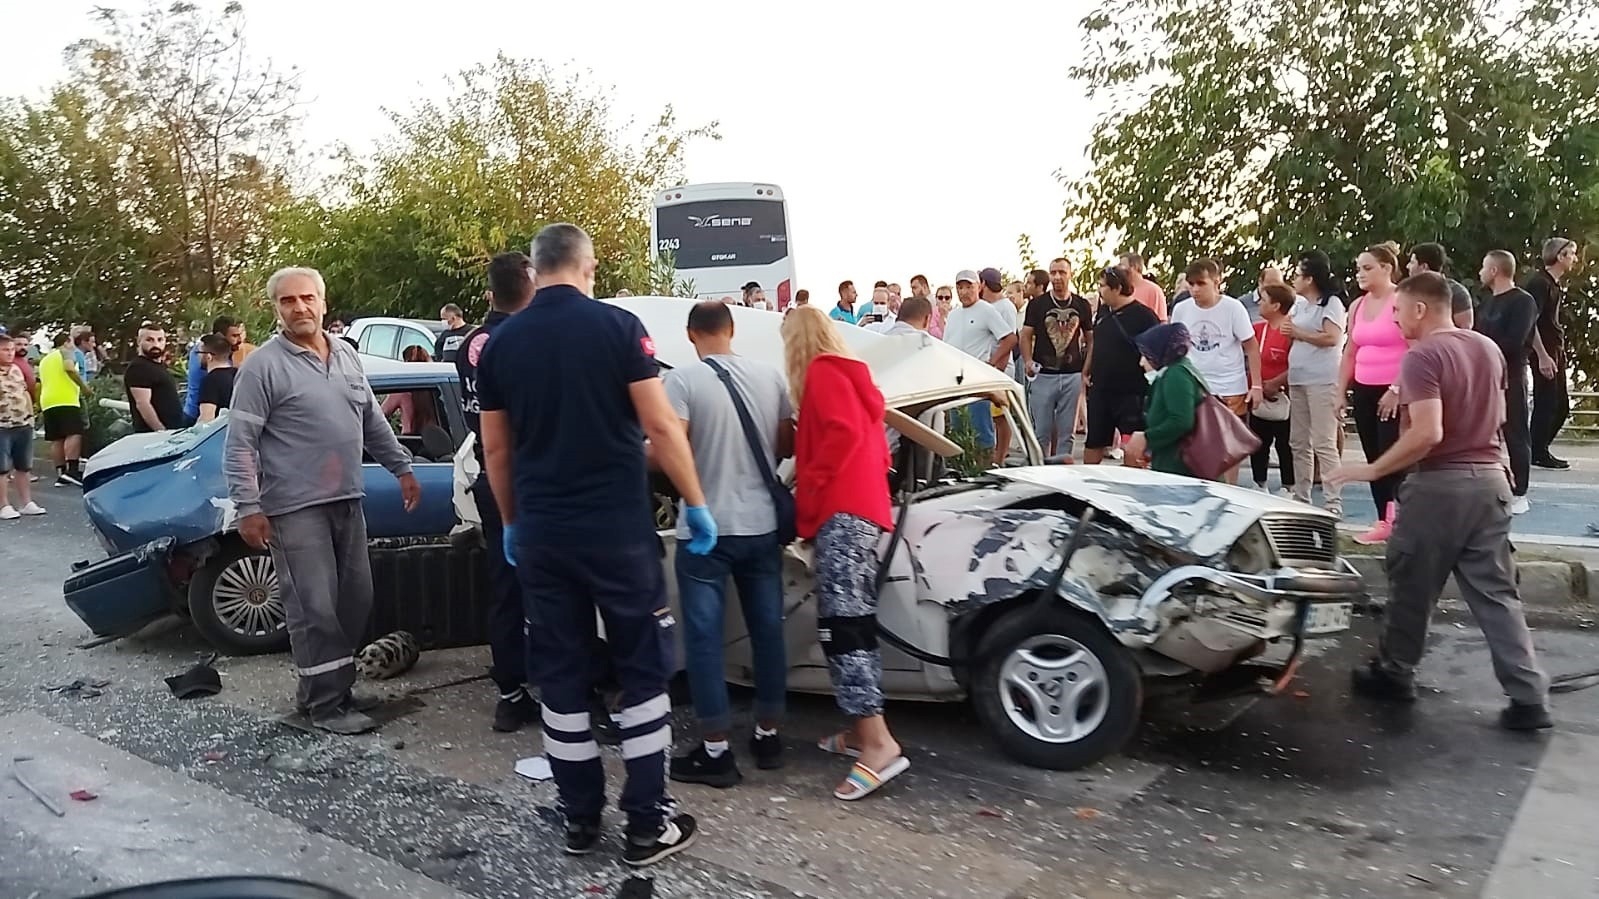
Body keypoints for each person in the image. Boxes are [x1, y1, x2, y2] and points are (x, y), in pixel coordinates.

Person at [477, 223, 713, 866]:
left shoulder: (500, 344)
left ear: (533, 269)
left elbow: (496, 449)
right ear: (590, 266)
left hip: (545, 534)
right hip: (616, 531)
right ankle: (646, 824)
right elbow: (660, 425)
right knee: (641, 669)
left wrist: (513, 522)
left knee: (561, 675)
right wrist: (695, 503)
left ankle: (579, 818)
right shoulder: (618, 329)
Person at [1328, 272, 1551, 731]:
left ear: (1421, 310)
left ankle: (1395, 672)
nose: (1394, 318)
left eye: (1398, 311)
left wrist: (1372, 469)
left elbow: (1429, 433)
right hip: (1490, 481)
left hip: (1440, 487)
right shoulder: (1486, 348)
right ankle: (1529, 697)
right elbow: (1504, 416)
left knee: (1412, 584)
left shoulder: (1422, 356)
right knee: (1496, 594)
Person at [224, 266, 421, 735]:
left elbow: (372, 419)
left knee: (356, 599)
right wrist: (248, 506)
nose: (299, 308)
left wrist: (403, 468)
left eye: (307, 298)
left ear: (323, 303)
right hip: (293, 508)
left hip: (347, 498)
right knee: (314, 608)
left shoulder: (347, 355)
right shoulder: (262, 366)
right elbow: (240, 442)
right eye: (288, 301)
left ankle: (329, 687)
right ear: (276, 309)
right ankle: (327, 707)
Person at [662, 301, 794, 789]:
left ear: (692, 334)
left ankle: (716, 751)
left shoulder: (682, 382)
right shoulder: (770, 377)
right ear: (732, 330)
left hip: (705, 530)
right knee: (767, 631)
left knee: (702, 639)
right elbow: (784, 445)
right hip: (761, 526)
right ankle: (768, 735)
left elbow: (672, 452)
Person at [782, 305, 907, 801]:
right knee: (852, 621)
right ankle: (862, 731)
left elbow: (837, 441)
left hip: (840, 510)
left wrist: (806, 495)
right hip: (864, 509)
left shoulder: (822, 373)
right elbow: (879, 452)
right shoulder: (854, 377)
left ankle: (878, 744)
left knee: (843, 628)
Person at [455, 252, 540, 733]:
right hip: (530, 474)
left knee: (505, 589)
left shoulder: (470, 340)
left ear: (491, 292)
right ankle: (576, 690)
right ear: (531, 286)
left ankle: (510, 693)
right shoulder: (524, 339)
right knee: (556, 587)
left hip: (487, 474)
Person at [1169, 259, 1263, 483]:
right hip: (1193, 383)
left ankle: (1230, 491)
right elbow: (1175, 346)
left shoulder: (1233, 308)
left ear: (1216, 281)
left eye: (1201, 283)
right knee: (1193, 440)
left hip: (1229, 384)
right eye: (1191, 284)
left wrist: (1256, 385)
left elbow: (1251, 346)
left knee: (1229, 444)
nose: (1195, 289)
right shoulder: (1182, 309)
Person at [1338, 245, 1408, 544]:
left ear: (1386, 268)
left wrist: (1397, 388)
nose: (1360, 274)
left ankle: (1402, 518)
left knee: (1394, 455)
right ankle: (1384, 519)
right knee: (1373, 456)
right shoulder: (1357, 306)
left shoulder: (1400, 300)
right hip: (1364, 390)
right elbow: (1350, 351)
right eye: (1358, 269)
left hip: (1394, 390)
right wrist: (1340, 391)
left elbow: (1416, 347)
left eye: (1367, 268)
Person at [1283, 253, 1348, 515]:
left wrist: (1299, 334)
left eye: (1298, 275)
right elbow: (1287, 328)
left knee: (1323, 440)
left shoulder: (1330, 303)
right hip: (1298, 375)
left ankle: (1333, 501)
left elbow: (1332, 337)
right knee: (1298, 441)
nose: (1295, 280)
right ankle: (1302, 495)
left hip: (1322, 377)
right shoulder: (1298, 304)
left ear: (1310, 278)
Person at [1476, 251, 1539, 515]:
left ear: (1494, 270)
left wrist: (1487, 351)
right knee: (1484, 432)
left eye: (1483, 266)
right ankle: (1490, 485)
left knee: (1515, 433)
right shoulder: (1487, 303)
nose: (1479, 272)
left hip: (1511, 376)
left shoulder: (1523, 302)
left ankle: (1520, 491)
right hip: (1485, 377)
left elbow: (1515, 341)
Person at [1083, 266, 1162, 466]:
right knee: (1094, 441)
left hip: (1131, 392)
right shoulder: (1103, 312)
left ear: (1117, 288)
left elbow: (1156, 353)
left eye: (1102, 286)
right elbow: (1097, 343)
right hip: (1101, 389)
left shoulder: (1144, 316)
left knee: (1132, 445)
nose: (1099, 291)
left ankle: (1131, 486)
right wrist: (1087, 370)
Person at [1021, 257, 1093, 460]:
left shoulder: (1081, 304)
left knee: (1066, 432)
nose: (1057, 277)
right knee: (1041, 431)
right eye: (1053, 272)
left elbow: (1091, 338)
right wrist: (1027, 360)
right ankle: (1038, 472)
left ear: (1070, 274)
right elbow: (1025, 335)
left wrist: (1085, 370)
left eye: (1061, 272)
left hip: (1072, 374)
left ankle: (1063, 473)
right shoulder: (1037, 304)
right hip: (1043, 374)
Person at [943, 270, 1017, 465]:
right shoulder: (953, 314)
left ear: (979, 287)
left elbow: (1009, 338)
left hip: (976, 381)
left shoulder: (986, 310)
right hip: (955, 380)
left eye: (969, 287)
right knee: (958, 432)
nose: (964, 292)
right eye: (960, 287)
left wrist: (992, 365)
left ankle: (984, 472)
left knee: (981, 432)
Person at [1525, 237, 1579, 471]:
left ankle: (1538, 448)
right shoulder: (1540, 283)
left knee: (1560, 404)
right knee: (1547, 402)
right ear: (1560, 256)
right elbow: (1531, 321)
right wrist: (1542, 355)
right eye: (1571, 253)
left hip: (1554, 349)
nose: (1575, 259)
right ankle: (1536, 451)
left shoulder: (1553, 284)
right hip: (1544, 350)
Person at [1124, 323, 1205, 477]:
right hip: (1175, 466)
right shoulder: (1176, 371)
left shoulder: (1176, 375)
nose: (1141, 362)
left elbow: (1181, 420)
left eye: (1147, 356)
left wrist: (1146, 438)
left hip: (1182, 472)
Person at [1249, 285, 1296, 492]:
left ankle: (1288, 486)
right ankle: (1260, 483)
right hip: (1259, 395)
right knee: (1258, 442)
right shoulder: (1257, 329)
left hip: (1283, 396)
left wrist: (1276, 383)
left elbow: (1298, 363)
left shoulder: (1290, 330)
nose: (1258, 303)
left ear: (1276, 305)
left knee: (1285, 444)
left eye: (1263, 299)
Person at [0, 331, 45, 519]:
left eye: (11, 349)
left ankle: (26, 502)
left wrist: (30, 414)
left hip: (22, 423)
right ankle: (4, 505)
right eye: (5, 350)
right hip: (2, 425)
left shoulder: (17, 369)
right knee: (2, 468)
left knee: (23, 466)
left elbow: (25, 392)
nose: (10, 353)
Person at [37, 332, 88, 486]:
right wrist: (84, 387)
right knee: (74, 433)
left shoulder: (45, 360)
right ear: (67, 342)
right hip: (66, 399)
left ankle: (61, 473)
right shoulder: (66, 352)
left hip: (48, 401)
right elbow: (69, 368)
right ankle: (72, 470)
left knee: (57, 438)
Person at [184, 316, 254, 423]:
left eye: (241, 334)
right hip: (200, 414)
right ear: (220, 336)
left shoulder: (228, 354)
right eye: (235, 336)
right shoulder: (203, 352)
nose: (240, 340)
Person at [124, 326, 185, 432]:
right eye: (149, 340)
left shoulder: (158, 365)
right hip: (155, 436)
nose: (156, 344)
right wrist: (161, 431)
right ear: (139, 341)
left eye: (160, 340)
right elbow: (143, 404)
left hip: (173, 431)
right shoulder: (139, 367)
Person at [1406, 242, 1474, 329]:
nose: (1408, 266)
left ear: (1424, 266)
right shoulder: (1409, 292)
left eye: (1412, 262)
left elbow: (1465, 328)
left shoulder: (1456, 291)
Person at [379, 346, 438, 434]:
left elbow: (379, 416)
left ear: (406, 363)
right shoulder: (437, 389)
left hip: (409, 440)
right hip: (437, 439)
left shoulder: (401, 392)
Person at [195, 333, 239, 423]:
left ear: (209, 357)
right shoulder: (239, 374)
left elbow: (206, 419)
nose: (197, 356)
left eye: (199, 353)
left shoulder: (210, 381)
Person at [1119, 252, 1168, 321]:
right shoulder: (1120, 291)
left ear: (1134, 267)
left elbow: (1162, 321)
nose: (1119, 269)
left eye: (1121, 265)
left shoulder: (1153, 290)